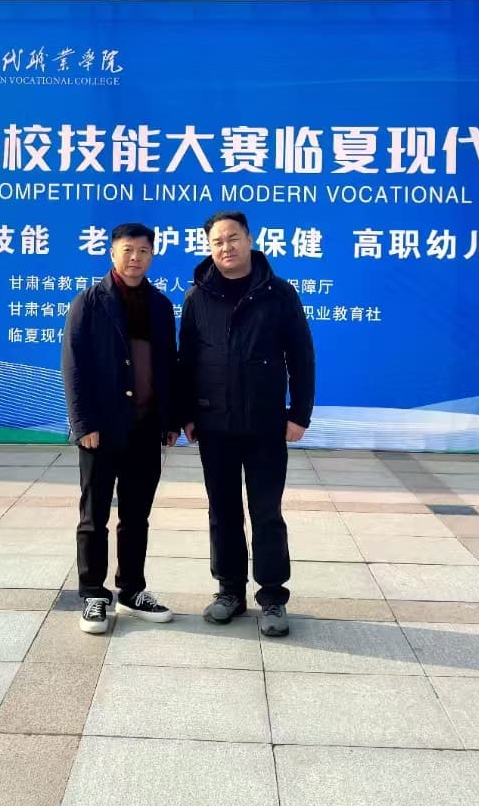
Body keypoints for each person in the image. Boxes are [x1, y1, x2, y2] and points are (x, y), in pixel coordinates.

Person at [178, 210, 315, 638]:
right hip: (214, 424)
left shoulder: (279, 293)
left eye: (233, 238)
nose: (226, 247)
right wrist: (186, 414)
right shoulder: (197, 296)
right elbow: (187, 360)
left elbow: (301, 356)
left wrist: (299, 413)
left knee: (266, 511)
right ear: (209, 248)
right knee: (222, 511)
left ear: (250, 239)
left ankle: (272, 596)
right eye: (217, 242)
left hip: (265, 423)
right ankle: (229, 591)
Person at [61, 222, 180, 634]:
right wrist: (83, 423)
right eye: (127, 250)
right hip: (102, 430)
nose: (135, 258)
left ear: (152, 256)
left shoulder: (160, 306)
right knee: (94, 516)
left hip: (145, 429)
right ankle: (93, 594)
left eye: (143, 251)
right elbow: (73, 367)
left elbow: (169, 366)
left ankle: (131, 589)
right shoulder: (89, 303)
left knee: (136, 516)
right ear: (112, 253)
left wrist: (170, 419)